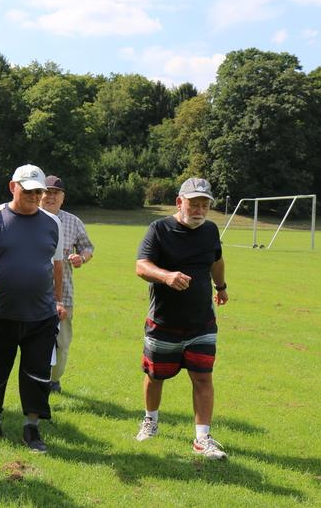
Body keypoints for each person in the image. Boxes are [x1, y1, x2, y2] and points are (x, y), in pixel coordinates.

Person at [0, 164, 66, 453]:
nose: (35, 197)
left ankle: (32, 428)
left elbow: (56, 265)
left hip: (41, 315)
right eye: (28, 191)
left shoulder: (51, 222)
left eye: (39, 192)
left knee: (37, 374)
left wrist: (58, 300)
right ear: (13, 187)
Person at [134, 177, 229, 460]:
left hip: (201, 321)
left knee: (203, 378)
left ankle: (202, 438)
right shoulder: (159, 229)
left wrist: (221, 287)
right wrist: (166, 276)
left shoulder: (211, 230)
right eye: (193, 203)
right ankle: (150, 421)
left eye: (204, 204)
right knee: (155, 375)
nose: (199, 209)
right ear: (180, 202)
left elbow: (216, 260)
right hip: (164, 320)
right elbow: (141, 266)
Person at [38, 175, 94, 393]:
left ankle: (54, 379)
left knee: (61, 342)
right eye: (47, 192)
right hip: (33, 293)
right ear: (39, 194)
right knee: (35, 341)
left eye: (55, 193)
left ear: (63, 198)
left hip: (65, 294)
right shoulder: (30, 218)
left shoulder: (72, 221)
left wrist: (82, 258)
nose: (50, 196)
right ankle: (37, 378)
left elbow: (88, 248)